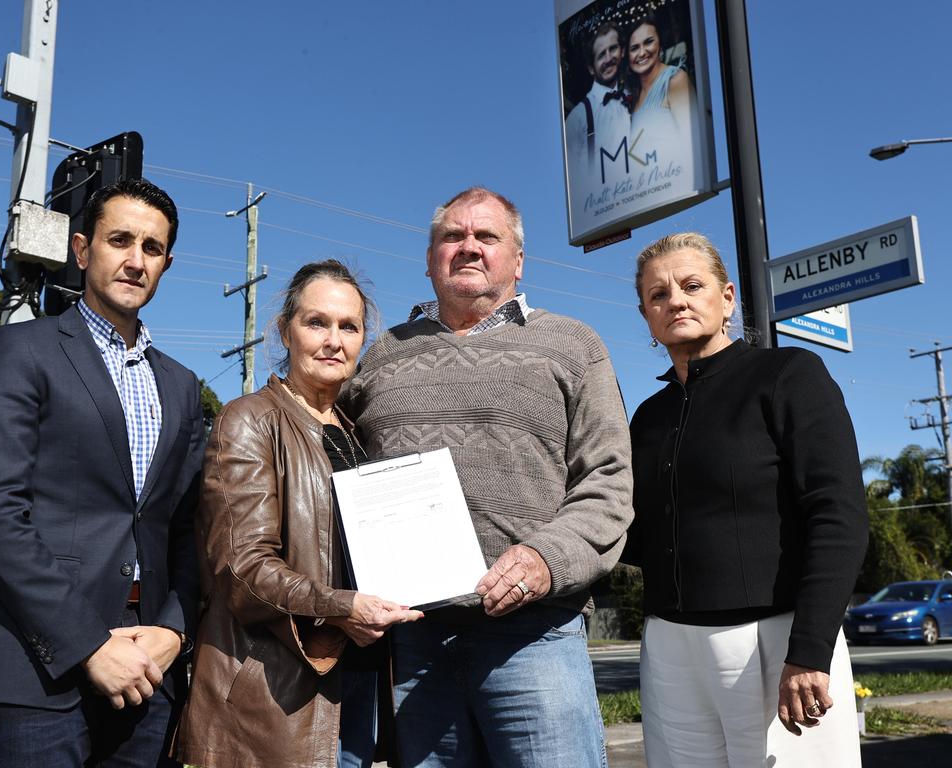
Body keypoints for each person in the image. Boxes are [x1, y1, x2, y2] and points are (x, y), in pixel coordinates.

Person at [344, 187, 634, 767]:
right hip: (415, 641)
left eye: (486, 236)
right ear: (429, 260)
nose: (468, 247)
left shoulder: (574, 345)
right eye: (452, 236)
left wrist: (544, 560)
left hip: (535, 635)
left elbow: (608, 481)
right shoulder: (378, 356)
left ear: (518, 261)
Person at [0, 178, 205, 767]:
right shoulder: (20, 351)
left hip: (149, 669)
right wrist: (88, 645)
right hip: (36, 668)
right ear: (81, 249)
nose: (135, 259)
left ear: (166, 264)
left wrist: (174, 632)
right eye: (120, 239)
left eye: (152, 248)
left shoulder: (182, 385)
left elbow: (188, 530)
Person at [627, 233, 868, 767]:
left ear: (728, 298)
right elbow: (635, 536)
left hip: (778, 643)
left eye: (692, 286)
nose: (677, 301)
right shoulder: (648, 417)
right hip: (670, 649)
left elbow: (839, 516)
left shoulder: (788, 375)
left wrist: (808, 651)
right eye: (658, 295)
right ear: (646, 314)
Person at [174, 260, 422, 768]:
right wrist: (340, 607)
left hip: (360, 680)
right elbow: (241, 568)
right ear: (285, 330)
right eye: (317, 322)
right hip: (279, 692)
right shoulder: (249, 420)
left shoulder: (359, 434)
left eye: (348, 326)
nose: (333, 339)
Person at [564, 21, 631, 201]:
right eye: (601, 55)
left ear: (622, 52)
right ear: (591, 68)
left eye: (613, 49)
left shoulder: (636, 96)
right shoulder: (578, 118)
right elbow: (575, 185)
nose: (609, 58)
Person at [627, 17, 696, 181]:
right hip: (646, 191)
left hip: (676, 184)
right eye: (635, 48)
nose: (642, 52)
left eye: (649, 42)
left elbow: (692, 143)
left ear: (660, 45)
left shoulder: (675, 80)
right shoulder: (633, 96)